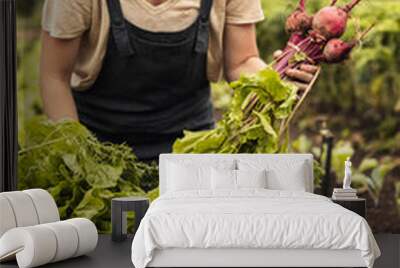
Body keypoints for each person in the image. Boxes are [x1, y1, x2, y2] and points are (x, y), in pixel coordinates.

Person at [40, 0, 317, 162]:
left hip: (192, 149)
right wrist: (77, 159)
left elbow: (242, 61)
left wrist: (277, 77)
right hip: (96, 142)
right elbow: (55, 76)